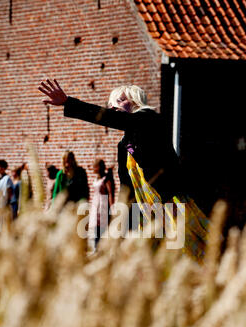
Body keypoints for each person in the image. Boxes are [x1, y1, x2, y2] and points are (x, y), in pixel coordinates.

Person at [38, 80, 209, 263]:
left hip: (168, 200)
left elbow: (115, 119)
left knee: (188, 252)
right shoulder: (124, 143)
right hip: (143, 209)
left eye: (119, 101)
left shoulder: (149, 120)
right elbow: (126, 185)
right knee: (149, 259)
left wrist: (68, 102)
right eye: (111, 104)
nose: (113, 107)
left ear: (135, 101)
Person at [88, 158, 115, 249]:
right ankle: (96, 248)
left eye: (94, 167)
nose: (93, 168)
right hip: (96, 206)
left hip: (103, 205)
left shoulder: (106, 179)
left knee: (102, 230)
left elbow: (110, 193)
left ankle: (101, 249)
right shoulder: (96, 179)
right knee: (96, 230)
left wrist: (112, 208)